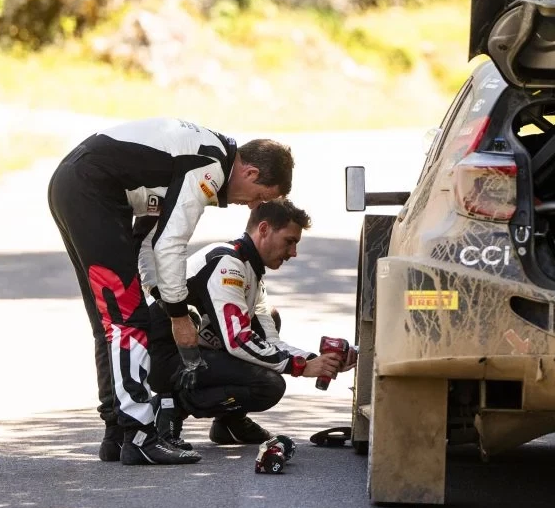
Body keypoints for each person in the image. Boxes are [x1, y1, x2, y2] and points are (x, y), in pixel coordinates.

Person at [47, 118, 294, 465]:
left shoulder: (199, 156)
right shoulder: (209, 167)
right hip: (90, 189)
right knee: (126, 322)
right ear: (250, 173)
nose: (254, 206)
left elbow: (148, 239)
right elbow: (171, 242)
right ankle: (140, 437)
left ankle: (116, 434)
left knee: (112, 321)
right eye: (261, 197)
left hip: (77, 184)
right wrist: (178, 315)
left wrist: (159, 294)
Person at [169, 198, 355, 446]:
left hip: (196, 353)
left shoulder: (250, 270)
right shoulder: (227, 264)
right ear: (264, 229)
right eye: (289, 242)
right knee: (268, 385)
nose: (294, 253)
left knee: (269, 320)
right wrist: (299, 367)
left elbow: (270, 342)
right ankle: (170, 406)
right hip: (166, 358)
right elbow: (238, 341)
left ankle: (229, 424)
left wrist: (317, 362)